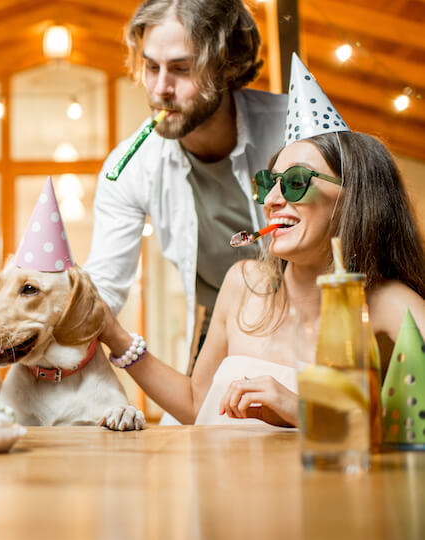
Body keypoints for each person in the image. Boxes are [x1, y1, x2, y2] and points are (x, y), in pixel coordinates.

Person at [98, 129, 425, 426]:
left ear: (354, 196)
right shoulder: (244, 282)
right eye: (270, 183)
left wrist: (301, 411)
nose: (271, 201)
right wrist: (116, 336)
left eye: (296, 182)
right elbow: (197, 405)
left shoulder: (387, 303)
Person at [84, 0, 287, 357]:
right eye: (150, 67)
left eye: (182, 69)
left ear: (229, 65)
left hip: (312, 317)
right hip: (222, 330)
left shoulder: (296, 131)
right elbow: (104, 289)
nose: (160, 88)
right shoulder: (129, 166)